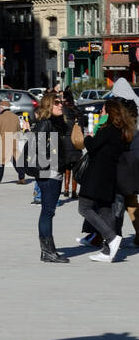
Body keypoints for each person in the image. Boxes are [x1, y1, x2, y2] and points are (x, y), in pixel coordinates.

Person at [76, 95, 136, 263]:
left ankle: (111, 237)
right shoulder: (121, 131)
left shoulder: (107, 130)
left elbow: (92, 146)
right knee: (105, 210)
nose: (100, 112)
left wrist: (87, 136)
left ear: (109, 113)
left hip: (97, 175)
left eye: (102, 110)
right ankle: (107, 251)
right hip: (110, 176)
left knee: (84, 207)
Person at [29, 92, 70, 263]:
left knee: (48, 212)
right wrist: (49, 167)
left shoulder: (56, 123)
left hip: (54, 171)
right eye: (57, 102)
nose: (61, 105)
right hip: (49, 172)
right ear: (48, 106)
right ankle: (47, 251)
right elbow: (37, 148)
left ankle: (49, 250)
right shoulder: (46, 124)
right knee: (47, 211)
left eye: (61, 102)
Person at [0, 97, 23, 183]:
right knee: (16, 160)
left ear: (2, 108)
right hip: (13, 140)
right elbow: (19, 129)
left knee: (0, 160)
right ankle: (22, 177)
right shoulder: (15, 117)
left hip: (3, 140)